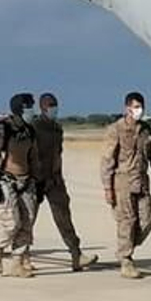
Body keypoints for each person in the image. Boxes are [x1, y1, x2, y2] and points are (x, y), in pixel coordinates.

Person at [100, 91, 151, 279]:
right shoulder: (115, 130)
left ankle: (126, 247)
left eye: (140, 107)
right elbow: (107, 160)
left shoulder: (146, 131)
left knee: (148, 219)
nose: (138, 110)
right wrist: (108, 188)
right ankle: (126, 260)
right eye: (135, 107)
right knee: (127, 221)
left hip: (141, 181)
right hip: (122, 182)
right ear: (127, 108)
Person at [32, 92, 97, 272]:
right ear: (42, 107)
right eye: (50, 105)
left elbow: (57, 154)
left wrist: (57, 176)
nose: (54, 108)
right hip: (36, 180)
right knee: (28, 220)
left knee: (64, 217)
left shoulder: (57, 128)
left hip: (55, 180)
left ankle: (76, 255)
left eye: (55, 104)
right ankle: (21, 257)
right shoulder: (34, 127)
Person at [0, 93, 42, 278]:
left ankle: (17, 263)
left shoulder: (29, 131)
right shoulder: (3, 129)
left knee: (27, 223)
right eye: (29, 107)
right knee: (12, 224)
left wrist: (37, 182)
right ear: (19, 109)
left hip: (26, 181)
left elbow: (33, 157)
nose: (32, 110)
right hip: (6, 181)